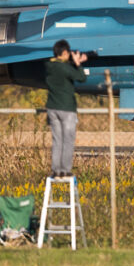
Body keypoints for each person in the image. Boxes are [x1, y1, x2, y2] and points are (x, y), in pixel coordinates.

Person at [45, 39, 87, 178]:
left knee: (57, 140)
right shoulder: (65, 68)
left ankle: (55, 170)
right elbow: (81, 78)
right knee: (68, 140)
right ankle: (65, 170)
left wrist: (71, 63)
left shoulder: (48, 66)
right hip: (67, 108)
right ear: (64, 52)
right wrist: (78, 63)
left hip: (52, 108)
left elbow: (60, 69)